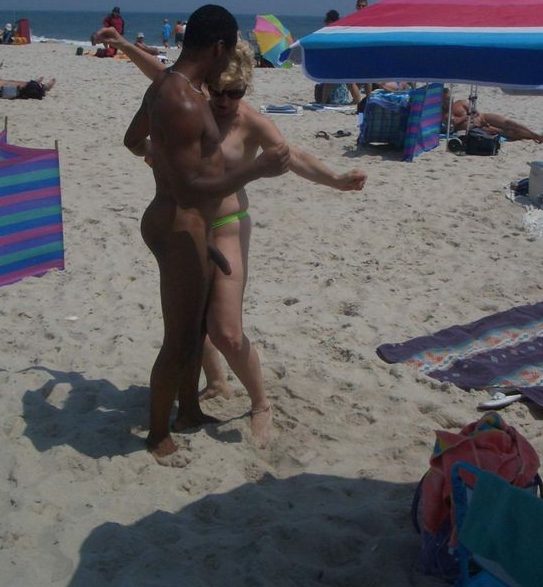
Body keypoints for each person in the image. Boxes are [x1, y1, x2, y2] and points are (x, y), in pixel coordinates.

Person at [102, 26, 366, 447]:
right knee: (193, 319)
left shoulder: (251, 122)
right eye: (218, 91)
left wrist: (335, 179)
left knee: (224, 329)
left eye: (235, 92)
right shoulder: (193, 104)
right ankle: (216, 382)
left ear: (246, 88)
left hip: (227, 226)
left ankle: (261, 402)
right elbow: (162, 74)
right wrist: (122, 46)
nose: (224, 101)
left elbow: (293, 156)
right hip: (189, 225)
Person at [120, 4, 290, 460]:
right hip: (180, 223)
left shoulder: (169, 87)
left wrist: (160, 156)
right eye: (229, 52)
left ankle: (189, 410)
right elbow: (188, 188)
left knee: (197, 330)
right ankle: (158, 435)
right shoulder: (182, 100)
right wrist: (255, 170)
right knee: (179, 338)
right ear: (218, 48)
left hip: (190, 222)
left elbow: (133, 140)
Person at [442, 87, 543, 143]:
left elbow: (475, 112)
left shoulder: (460, 103)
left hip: (483, 118)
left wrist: (474, 117)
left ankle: (534, 134)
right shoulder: (443, 113)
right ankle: (535, 137)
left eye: (450, 98)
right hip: (476, 128)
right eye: (446, 100)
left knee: (509, 123)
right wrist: (467, 117)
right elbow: (453, 123)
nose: (449, 101)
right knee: (505, 132)